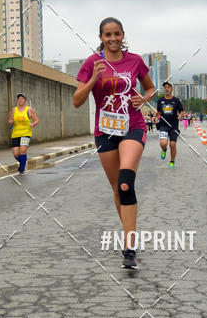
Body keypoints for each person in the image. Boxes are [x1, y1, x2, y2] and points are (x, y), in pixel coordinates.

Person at [73, 17, 155, 270]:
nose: (113, 38)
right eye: (107, 34)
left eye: (116, 34)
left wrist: (143, 98)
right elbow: (77, 100)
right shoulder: (91, 63)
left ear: (122, 35)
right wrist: (92, 79)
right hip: (105, 131)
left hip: (132, 125)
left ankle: (129, 249)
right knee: (117, 189)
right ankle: (129, 234)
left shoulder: (135, 61)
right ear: (101, 38)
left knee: (125, 183)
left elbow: (150, 89)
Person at [9, 93, 39, 173]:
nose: (20, 100)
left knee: (22, 151)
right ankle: (23, 162)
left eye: (22, 99)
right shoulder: (14, 110)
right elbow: (10, 119)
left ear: (25, 100)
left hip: (26, 133)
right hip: (15, 134)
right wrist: (11, 121)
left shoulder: (29, 109)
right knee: (16, 154)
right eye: (18, 99)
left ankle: (22, 169)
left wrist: (33, 124)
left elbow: (36, 119)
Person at [156, 81, 184, 168]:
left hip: (174, 126)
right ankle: (164, 149)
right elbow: (158, 112)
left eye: (168, 87)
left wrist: (180, 115)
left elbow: (181, 111)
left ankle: (172, 161)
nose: (166, 88)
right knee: (163, 143)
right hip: (163, 125)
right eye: (165, 87)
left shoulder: (176, 100)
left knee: (172, 144)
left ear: (171, 89)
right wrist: (155, 117)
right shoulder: (160, 100)